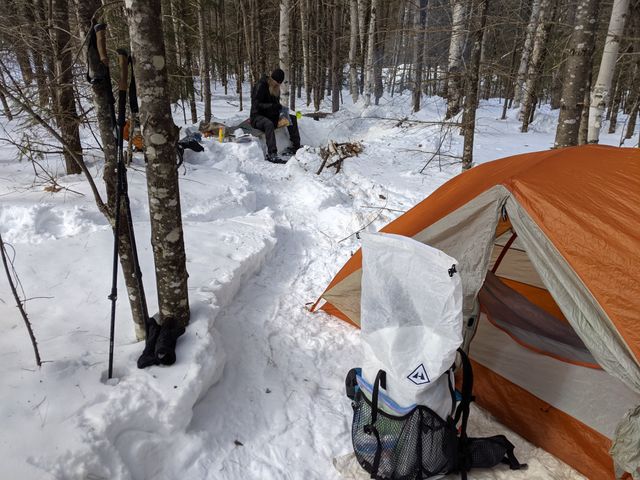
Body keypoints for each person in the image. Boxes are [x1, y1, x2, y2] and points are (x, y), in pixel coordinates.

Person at [250, 68, 301, 164]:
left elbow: (275, 104)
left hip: (271, 115)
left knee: (292, 118)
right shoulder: (261, 86)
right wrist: (272, 106)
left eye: (279, 84)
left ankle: (296, 146)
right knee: (268, 124)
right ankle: (272, 154)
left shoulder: (275, 87)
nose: (277, 86)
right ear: (271, 79)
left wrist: (280, 109)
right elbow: (256, 105)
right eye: (276, 83)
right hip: (257, 117)